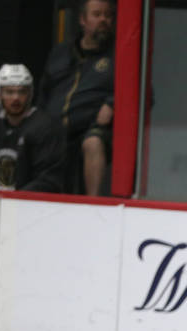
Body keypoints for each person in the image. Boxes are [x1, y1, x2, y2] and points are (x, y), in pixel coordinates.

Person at [38, 0, 116, 196]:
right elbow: (44, 91)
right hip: (54, 128)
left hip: (94, 129)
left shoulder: (119, 54)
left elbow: (143, 91)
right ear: (83, 20)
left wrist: (112, 103)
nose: (103, 20)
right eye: (97, 15)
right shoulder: (61, 52)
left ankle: (93, 205)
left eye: (108, 15)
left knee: (92, 142)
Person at [0, 64, 65, 193]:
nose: (16, 98)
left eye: (22, 91)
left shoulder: (46, 128)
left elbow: (48, 180)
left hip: (32, 206)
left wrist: (15, 201)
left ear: (30, 93)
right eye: (9, 92)